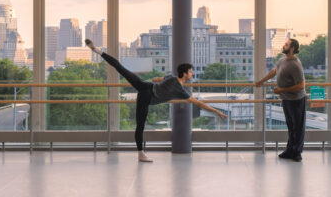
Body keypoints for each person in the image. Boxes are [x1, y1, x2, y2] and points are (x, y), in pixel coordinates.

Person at [85, 38, 227, 162]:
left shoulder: (172, 78)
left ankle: (96, 50)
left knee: (121, 68)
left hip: (145, 86)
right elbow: (199, 103)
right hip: (147, 95)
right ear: (185, 74)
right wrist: (216, 111)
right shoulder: (180, 89)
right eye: (191, 71)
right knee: (140, 126)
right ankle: (141, 154)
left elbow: (155, 79)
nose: (192, 73)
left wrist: (158, 87)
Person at [255, 38, 306, 162]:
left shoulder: (295, 64)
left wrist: (281, 90)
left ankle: (297, 152)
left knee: (298, 127)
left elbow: (301, 85)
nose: (284, 46)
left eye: (286, 45)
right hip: (287, 99)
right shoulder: (282, 59)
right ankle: (290, 150)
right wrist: (261, 82)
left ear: (292, 48)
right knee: (291, 126)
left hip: (297, 100)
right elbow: (274, 71)